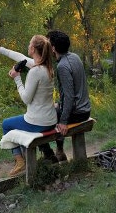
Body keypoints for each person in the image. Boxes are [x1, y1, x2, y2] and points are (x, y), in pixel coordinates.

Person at [0, 35, 57, 176]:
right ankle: (49, 154)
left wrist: (17, 78)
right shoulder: (46, 67)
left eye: (29, 43)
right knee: (26, 122)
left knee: (6, 124)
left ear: (32, 48)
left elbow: (26, 99)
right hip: (50, 119)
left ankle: (20, 161)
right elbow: (19, 56)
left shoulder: (35, 72)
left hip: (39, 122)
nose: (28, 46)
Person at [38, 30, 91, 162]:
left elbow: (69, 96)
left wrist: (63, 121)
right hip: (84, 109)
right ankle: (60, 151)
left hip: (77, 112)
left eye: (48, 44)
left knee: (38, 119)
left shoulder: (62, 66)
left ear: (54, 48)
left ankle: (49, 154)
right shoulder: (74, 57)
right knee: (54, 109)